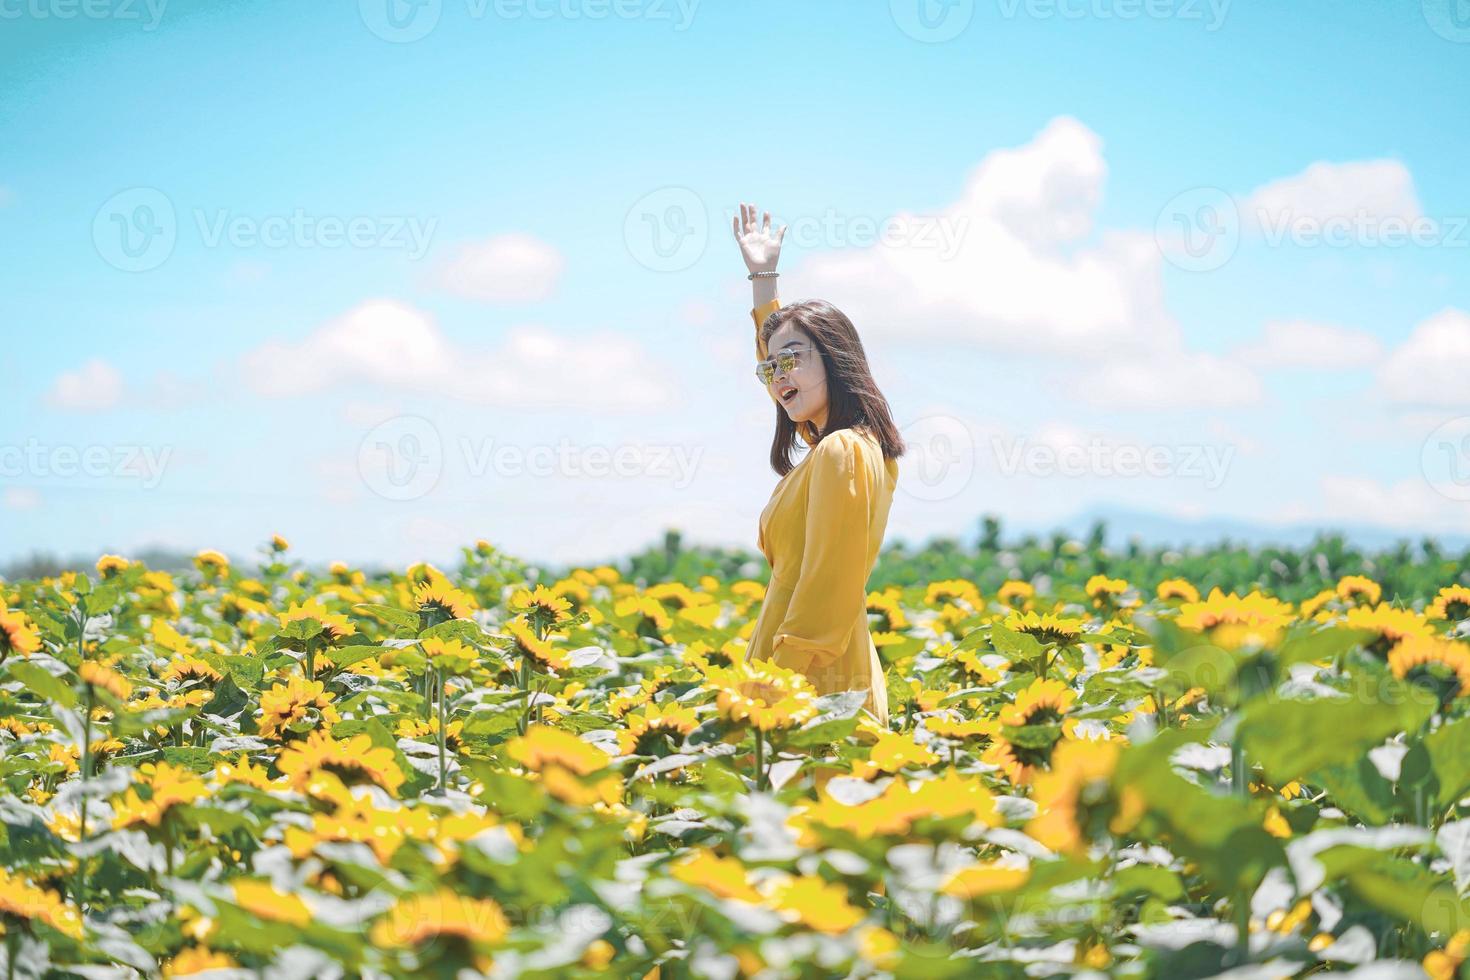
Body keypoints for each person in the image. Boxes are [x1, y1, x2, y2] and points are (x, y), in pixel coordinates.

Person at [731, 201, 906, 726]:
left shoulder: (843, 452)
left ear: (834, 359)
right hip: (810, 677)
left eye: (793, 359)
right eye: (769, 368)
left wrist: (770, 685)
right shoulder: (847, 447)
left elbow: (827, 589)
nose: (779, 376)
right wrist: (763, 283)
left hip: (814, 689)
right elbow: (787, 383)